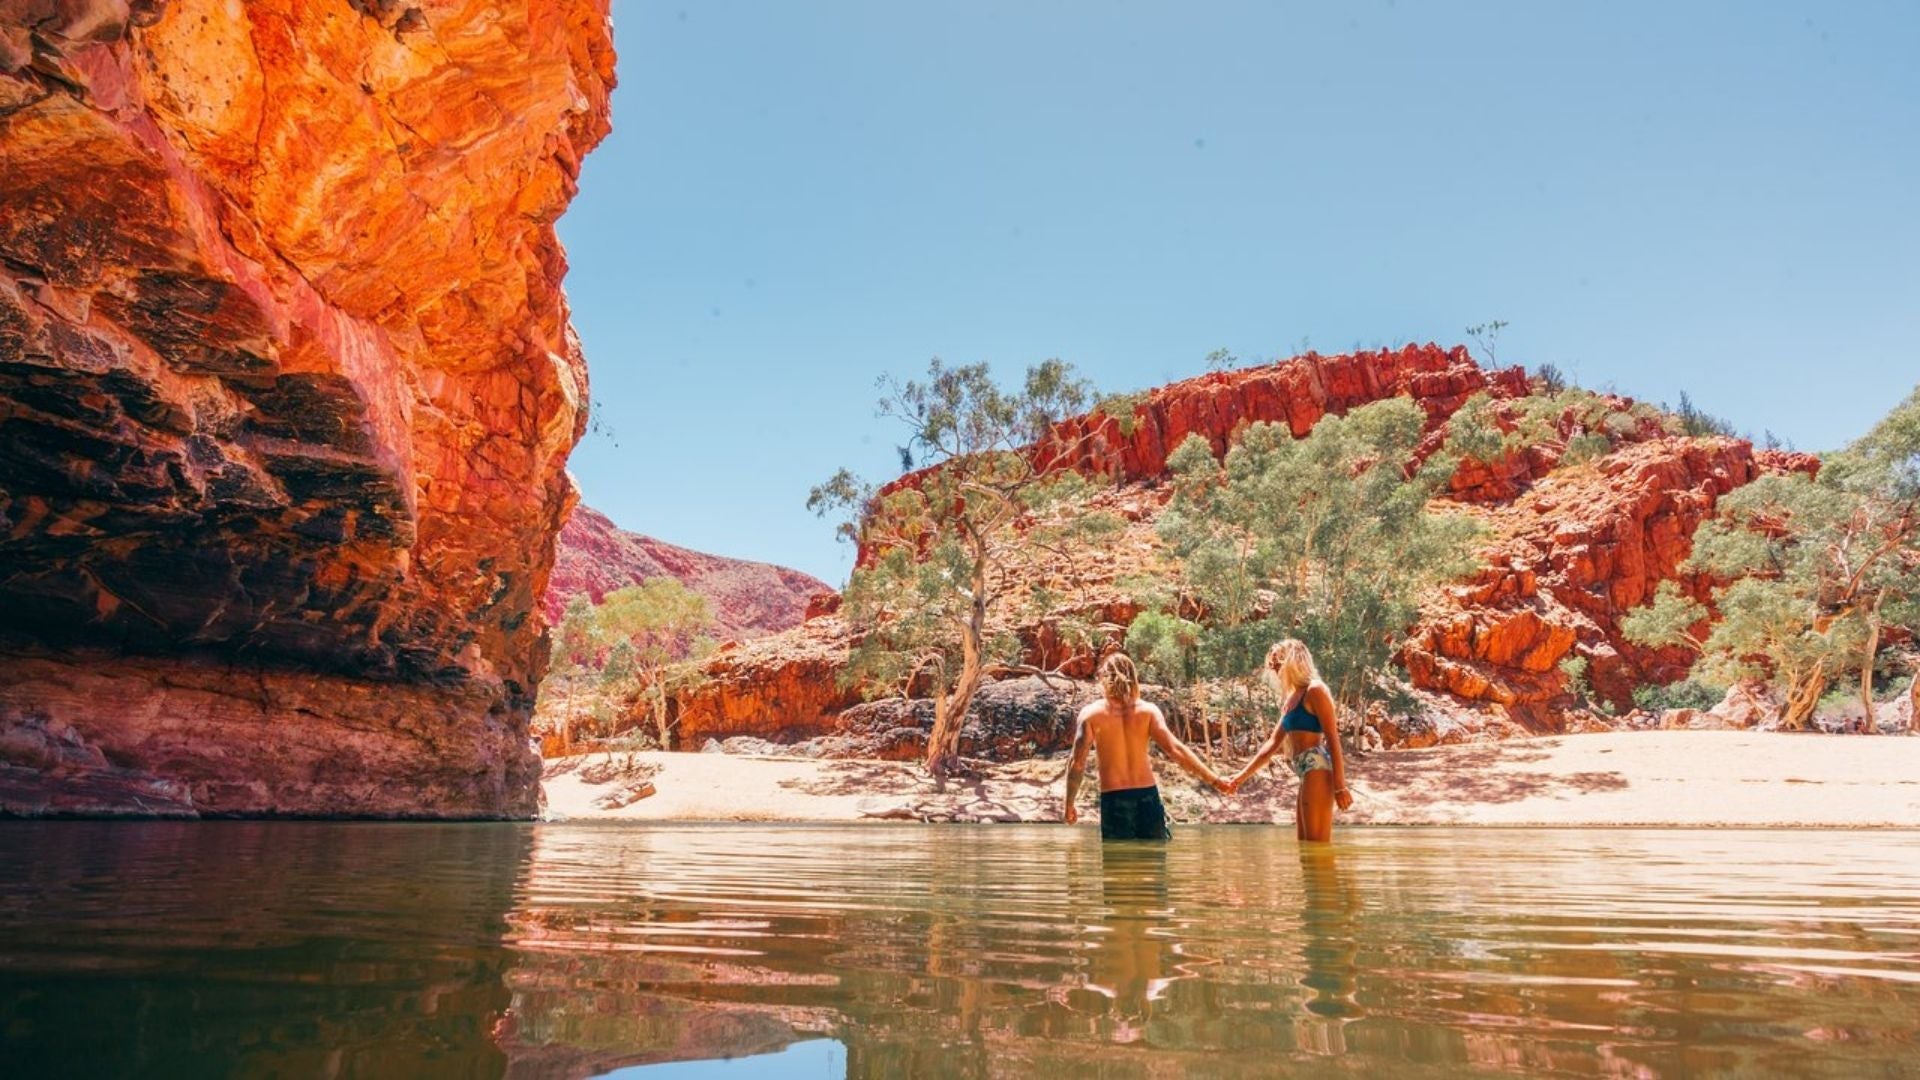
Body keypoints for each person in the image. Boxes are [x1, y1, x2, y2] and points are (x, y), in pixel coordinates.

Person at [1065, 653, 1231, 840]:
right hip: (1147, 797)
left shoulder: (1090, 714)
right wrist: (1215, 780)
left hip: (1114, 800)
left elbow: (1077, 763)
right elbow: (1175, 749)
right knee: (1155, 864)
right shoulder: (1148, 711)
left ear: (1103, 678)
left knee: (1117, 866)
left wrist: (1069, 803)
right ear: (1134, 678)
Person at [1228, 639, 1353, 842]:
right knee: (1305, 847)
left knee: (1316, 847)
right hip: (1304, 771)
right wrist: (1239, 778)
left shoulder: (1315, 690)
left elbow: (1333, 739)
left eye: (1278, 664)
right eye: (1272, 665)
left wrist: (1340, 786)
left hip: (1317, 768)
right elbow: (1271, 745)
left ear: (1292, 661)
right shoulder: (1291, 700)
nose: (1275, 669)